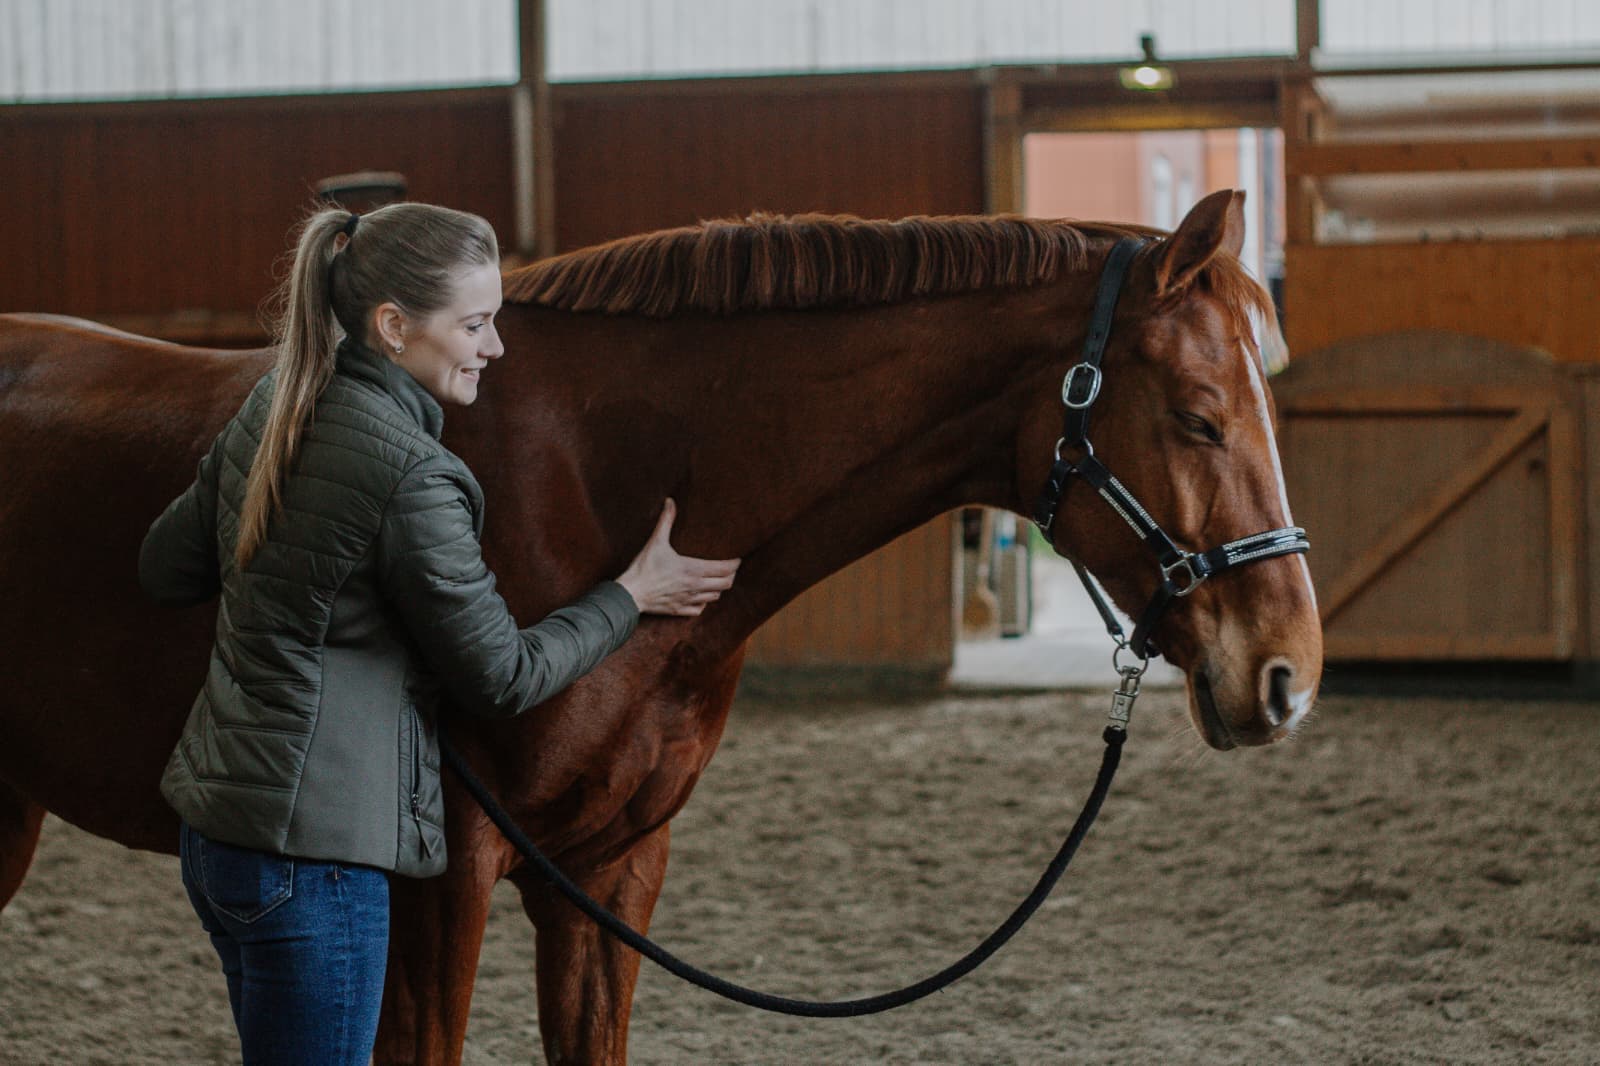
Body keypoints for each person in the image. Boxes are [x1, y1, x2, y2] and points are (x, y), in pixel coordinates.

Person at [137, 202, 739, 1065]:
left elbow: (166, 567)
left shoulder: (278, 402)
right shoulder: (415, 475)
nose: (495, 347)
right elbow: (503, 676)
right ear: (393, 326)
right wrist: (630, 594)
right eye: (474, 324)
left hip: (220, 841)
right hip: (320, 861)